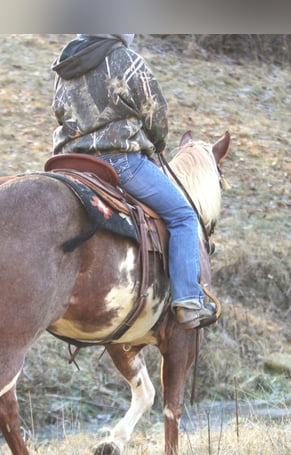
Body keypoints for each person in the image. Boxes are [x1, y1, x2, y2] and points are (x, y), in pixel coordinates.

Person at [51, 34, 216, 329]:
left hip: (70, 163)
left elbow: (59, 113)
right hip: (121, 162)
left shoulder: (66, 62)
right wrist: (157, 143)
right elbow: (154, 113)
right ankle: (189, 300)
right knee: (183, 216)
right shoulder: (126, 61)